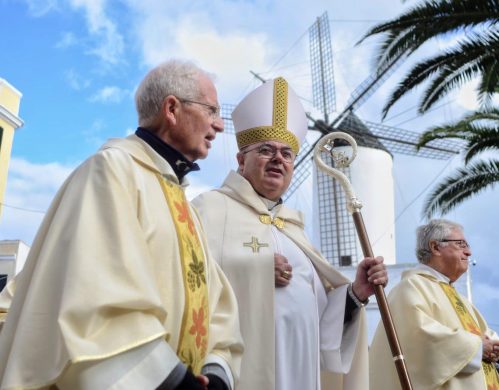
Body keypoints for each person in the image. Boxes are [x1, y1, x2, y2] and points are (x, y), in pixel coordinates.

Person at [0, 60, 243, 390]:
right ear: (172, 108)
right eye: (212, 110)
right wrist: (171, 382)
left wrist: (216, 373)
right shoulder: (111, 172)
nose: (218, 125)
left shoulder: (183, 203)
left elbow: (216, 305)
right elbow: (95, 304)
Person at [192, 77, 388, 390]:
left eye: (287, 154)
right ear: (241, 161)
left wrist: (354, 294)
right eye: (266, 150)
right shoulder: (210, 209)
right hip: (238, 370)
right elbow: (187, 278)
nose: (278, 159)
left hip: (301, 372)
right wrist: (253, 269)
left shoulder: (295, 230)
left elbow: (322, 318)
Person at [369, 219, 499, 389]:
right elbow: (419, 341)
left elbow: (488, 338)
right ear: (435, 247)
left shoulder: (460, 300)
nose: (468, 252)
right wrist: (477, 348)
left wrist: (498, 355)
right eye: (461, 244)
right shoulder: (411, 288)